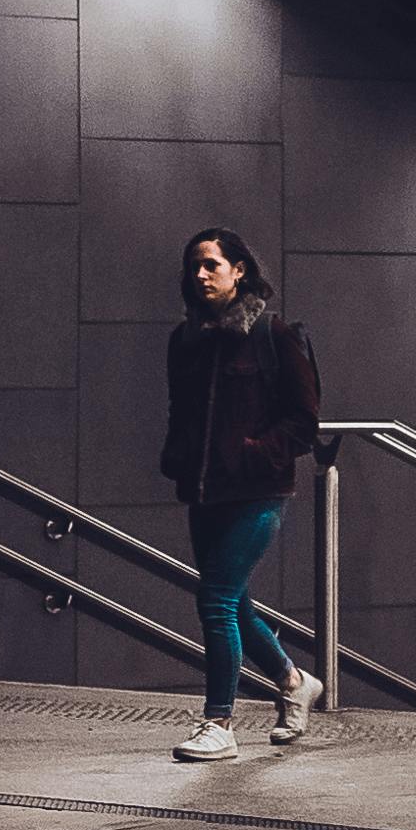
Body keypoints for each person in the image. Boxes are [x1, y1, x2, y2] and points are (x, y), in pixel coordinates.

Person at [155, 227, 325, 762]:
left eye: (211, 264)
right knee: (233, 600)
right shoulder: (186, 341)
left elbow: (304, 422)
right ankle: (293, 681)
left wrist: (256, 452)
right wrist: (177, 454)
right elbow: (179, 411)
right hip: (204, 491)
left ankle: (219, 722)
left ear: (239, 270)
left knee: (216, 600)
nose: (200, 275)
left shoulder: (274, 335)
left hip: (258, 490)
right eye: (194, 267)